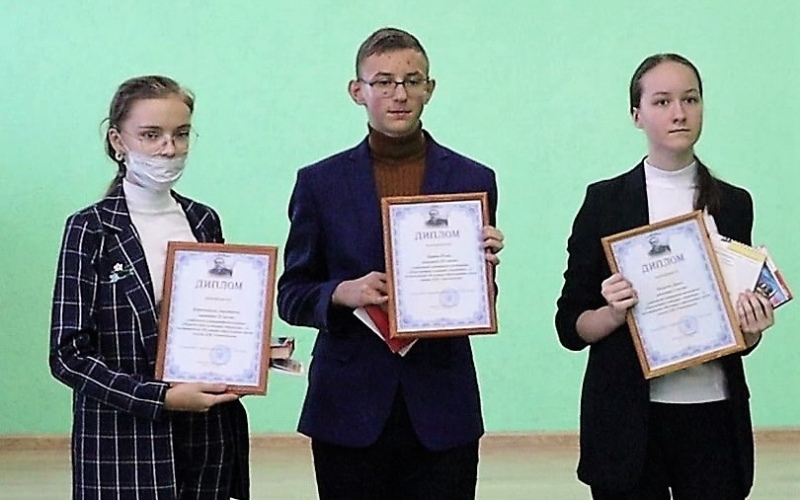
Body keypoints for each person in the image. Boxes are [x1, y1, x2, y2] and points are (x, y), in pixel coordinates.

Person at [277, 27, 504, 500]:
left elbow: (480, 298)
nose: (399, 94)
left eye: (412, 81)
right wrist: (342, 292)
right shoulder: (319, 183)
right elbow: (291, 294)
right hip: (347, 406)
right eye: (383, 82)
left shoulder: (472, 179)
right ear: (357, 91)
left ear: (429, 89)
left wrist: (483, 270)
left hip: (442, 404)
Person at [555, 54, 775, 499]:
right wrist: (613, 313)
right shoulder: (604, 202)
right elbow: (570, 326)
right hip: (627, 420)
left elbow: (740, 331)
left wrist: (752, 329)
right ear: (636, 115)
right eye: (662, 101)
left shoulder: (734, 204)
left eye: (690, 99)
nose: (679, 113)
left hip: (713, 413)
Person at [49, 76, 250, 500]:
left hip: (208, 438)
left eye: (181, 134)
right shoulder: (90, 229)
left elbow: (215, 317)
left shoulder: (204, 221)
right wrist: (161, 398)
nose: (169, 149)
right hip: (124, 441)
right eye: (151, 135)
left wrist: (247, 350)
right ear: (117, 141)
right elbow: (68, 356)